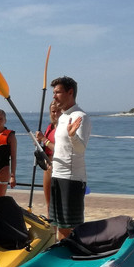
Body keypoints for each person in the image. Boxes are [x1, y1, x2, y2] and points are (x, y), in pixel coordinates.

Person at [49, 76, 91, 240]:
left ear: (70, 92)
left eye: (58, 92)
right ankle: (62, 258)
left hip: (71, 179)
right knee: (58, 225)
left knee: (70, 228)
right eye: (54, 92)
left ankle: (75, 259)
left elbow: (80, 149)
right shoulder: (62, 118)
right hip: (57, 176)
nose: (54, 96)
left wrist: (73, 135)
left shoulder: (81, 117)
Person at [37, 99, 61, 213]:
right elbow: (45, 145)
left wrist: (44, 139)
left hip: (59, 167)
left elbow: (60, 149)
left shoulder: (63, 128)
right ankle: (52, 229)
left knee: (60, 203)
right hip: (48, 167)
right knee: (49, 204)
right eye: (53, 111)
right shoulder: (50, 127)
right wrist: (38, 141)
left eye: (57, 111)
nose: (55, 114)